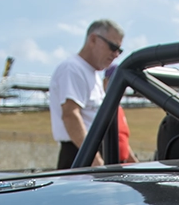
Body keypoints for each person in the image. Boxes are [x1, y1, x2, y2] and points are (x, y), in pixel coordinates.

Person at [49, 19, 124, 169]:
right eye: (113, 47)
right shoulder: (72, 68)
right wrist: (95, 161)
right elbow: (71, 115)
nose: (116, 54)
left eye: (119, 50)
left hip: (91, 153)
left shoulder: (93, 74)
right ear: (93, 39)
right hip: (80, 155)